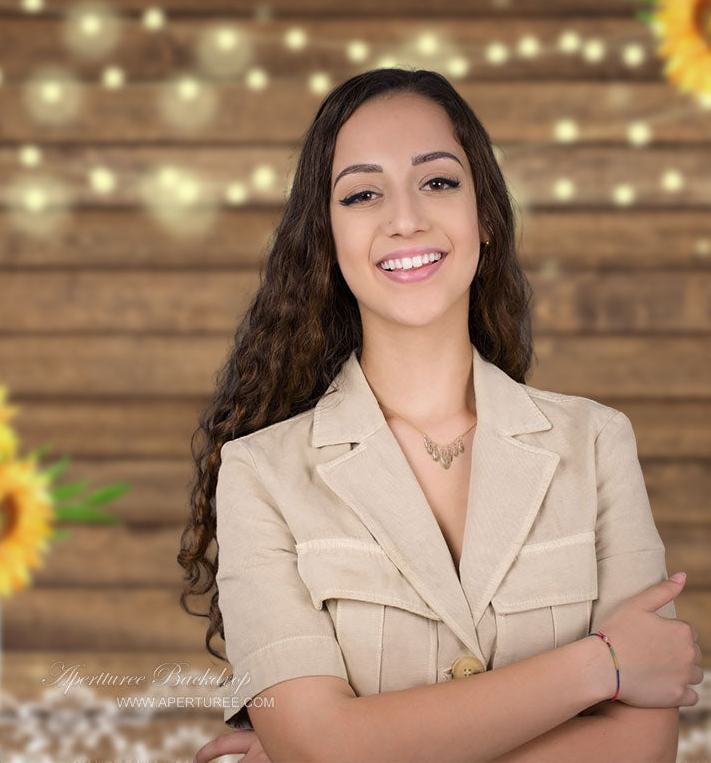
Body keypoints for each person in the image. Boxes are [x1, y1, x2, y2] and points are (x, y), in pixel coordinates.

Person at [179, 68, 703, 763]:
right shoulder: (259, 475)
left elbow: (642, 748)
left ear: (484, 214)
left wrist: (350, 748)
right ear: (327, 241)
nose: (406, 219)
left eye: (438, 182)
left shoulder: (598, 444)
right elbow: (321, 747)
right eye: (363, 194)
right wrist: (601, 666)